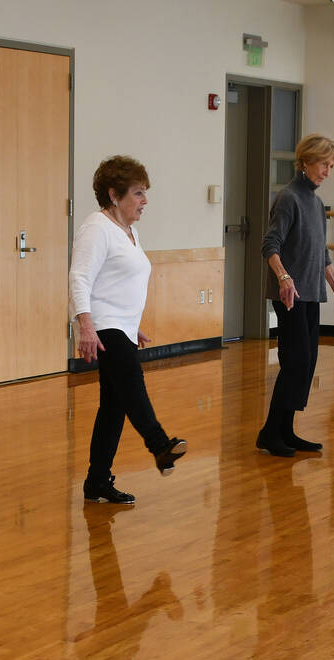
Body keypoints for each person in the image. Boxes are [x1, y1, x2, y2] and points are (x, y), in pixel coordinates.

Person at [71, 156, 187, 504]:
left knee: (113, 406)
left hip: (120, 327)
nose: (144, 201)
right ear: (114, 194)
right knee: (131, 382)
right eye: (138, 193)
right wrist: (86, 325)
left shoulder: (129, 230)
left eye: (144, 193)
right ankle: (159, 445)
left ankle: (97, 481)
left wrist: (131, 326)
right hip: (103, 326)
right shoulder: (97, 227)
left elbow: (120, 282)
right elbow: (79, 277)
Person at [256, 133, 334, 456]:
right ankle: (271, 432)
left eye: (331, 166)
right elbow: (270, 245)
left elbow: (321, 254)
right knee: (296, 362)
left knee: (306, 363)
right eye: (324, 164)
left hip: (312, 295)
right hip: (290, 295)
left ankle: (285, 430)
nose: (327, 171)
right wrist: (284, 278)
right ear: (306, 161)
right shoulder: (289, 198)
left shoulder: (315, 203)